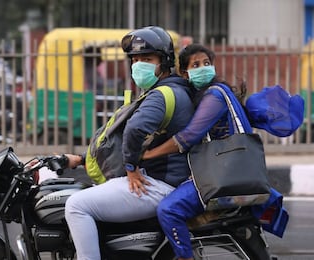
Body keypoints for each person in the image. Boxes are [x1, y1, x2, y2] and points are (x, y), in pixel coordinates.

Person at [64, 26, 195, 260]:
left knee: (76, 205)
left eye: (147, 59)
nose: (139, 64)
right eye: (135, 59)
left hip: (157, 184)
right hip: (164, 180)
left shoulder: (161, 94)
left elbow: (135, 131)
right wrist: (83, 159)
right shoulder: (169, 90)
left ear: (164, 62)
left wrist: (131, 169)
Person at [143, 43, 248, 260]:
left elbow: (187, 137)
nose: (202, 68)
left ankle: (184, 257)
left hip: (225, 175)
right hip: (225, 169)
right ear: (184, 72)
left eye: (206, 63)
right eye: (196, 64)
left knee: (168, 210)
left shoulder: (215, 95)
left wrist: (148, 155)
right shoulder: (204, 95)